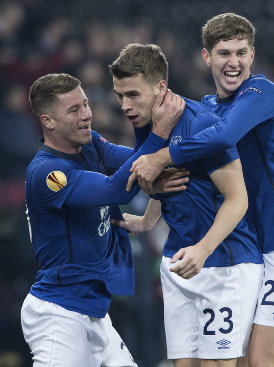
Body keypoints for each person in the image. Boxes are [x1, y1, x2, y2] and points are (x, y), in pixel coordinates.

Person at [125, 14, 274, 367]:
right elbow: (182, 176)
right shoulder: (208, 108)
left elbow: (223, 136)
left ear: (252, 55)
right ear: (206, 57)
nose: (233, 62)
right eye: (223, 53)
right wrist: (150, 214)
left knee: (261, 363)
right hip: (249, 250)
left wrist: (163, 155)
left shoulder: (262, 92)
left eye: (241, 52)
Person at [109, 43, 263, 367]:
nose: (125, 105)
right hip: (177, 260)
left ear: (160, 87)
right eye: (119, 95)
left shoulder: (200, 124)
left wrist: (203, 250)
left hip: (224, 261)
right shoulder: (145, 123)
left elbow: (238, 199)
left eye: (133, 94)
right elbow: (160, 173)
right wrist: (150, 219)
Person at [22, 72, 183, 366]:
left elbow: (138, 159)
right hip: (58, 312)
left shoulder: (91, 144)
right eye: (74, 110)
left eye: (85, 104)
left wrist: (146, 125)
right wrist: (159, 133)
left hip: (93, 311)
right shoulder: (47, 173)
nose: (86, 115)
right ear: (48, 121)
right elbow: (114, 190)